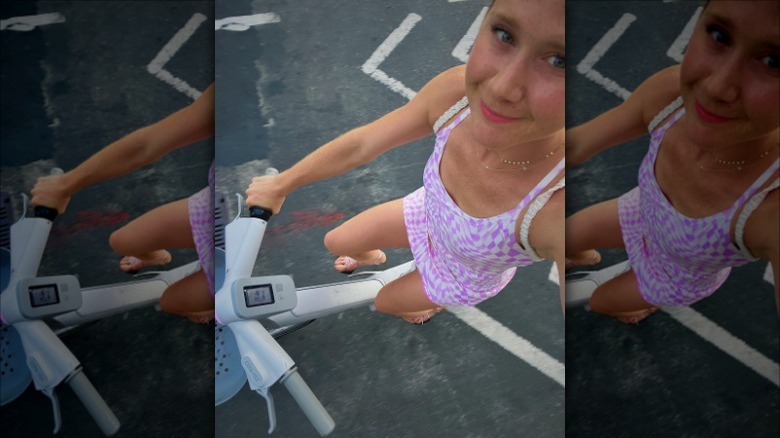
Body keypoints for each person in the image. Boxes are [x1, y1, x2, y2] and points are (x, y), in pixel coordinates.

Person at [246, 0, 566, 324]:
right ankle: (373, 257)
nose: (500, 88)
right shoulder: (456, 96)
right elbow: (362, 144)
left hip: (461, 274)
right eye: (504, 35)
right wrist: (280, 183)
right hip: (426, 213)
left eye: (559, 61)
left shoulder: (556, 208)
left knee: (387, 302)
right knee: (336, 241)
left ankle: (435, 302)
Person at [566, 0, 779, 323]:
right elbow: (577, 143)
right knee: (569, 233)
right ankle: (584, 255)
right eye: (719, 35)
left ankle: (645, 304)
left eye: (773, 61)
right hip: (641, 212)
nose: (716, 87)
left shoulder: (770, 208)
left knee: (601, 301)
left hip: (676, 275)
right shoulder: (671, 97)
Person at [31, 84, 215, 323]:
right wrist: (65, 185)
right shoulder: (232, 82)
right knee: (122, 241)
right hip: (216, 211)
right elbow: (147, 144)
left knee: (172, 302)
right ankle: (158, 257)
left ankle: (215, 303)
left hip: (244, 242)